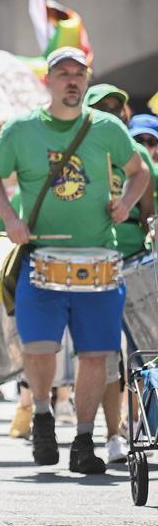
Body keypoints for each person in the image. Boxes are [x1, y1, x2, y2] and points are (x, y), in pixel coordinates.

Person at [0, 47, 148, 473]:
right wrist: (11, 218)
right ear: (49, 81)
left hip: (99, 259)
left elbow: (139, 170)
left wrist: (127, 202)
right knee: (39, 348)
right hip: (41, 257)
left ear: (86, 80)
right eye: (63, 73)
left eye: (79, 74)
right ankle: (41, 414)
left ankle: (85, 440)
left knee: (97, 354)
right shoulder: (22, 129)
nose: (72, 80)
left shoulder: (107, 127)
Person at [86, 84, 157, 463]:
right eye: (103, 108)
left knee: (145, 352)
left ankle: (140, 423)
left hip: (134, 265)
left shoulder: (140, 159)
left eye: (118, 107)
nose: (113, 113)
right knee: (104, 353)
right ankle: (113, 434)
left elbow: (148, 213)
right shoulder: (83, 152)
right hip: (92, 265)